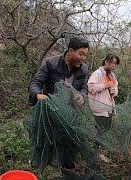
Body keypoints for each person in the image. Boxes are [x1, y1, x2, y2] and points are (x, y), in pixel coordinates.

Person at [28, 36, 89, 170]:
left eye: (85, 55)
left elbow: (84, 87)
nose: (83, 58)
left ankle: (67, 168)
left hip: (70, 115)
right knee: (46, 143)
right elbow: (35, 82)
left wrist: (82, 96)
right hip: (50, 112)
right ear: (70, 50)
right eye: (81, 54)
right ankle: (41, 167)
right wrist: (38, 94)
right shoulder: (51, 63)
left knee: (68, 144)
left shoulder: (83, 69)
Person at [87, 53, 120, 135]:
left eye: (115, 64)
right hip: (99, 108)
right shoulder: (97, 73)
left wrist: (114, 91)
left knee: (106, 129)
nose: (113, 65)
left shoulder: (113, 76)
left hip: (109, 108)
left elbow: (116, 90)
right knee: (98, 130)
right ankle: (95, 146)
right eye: (111, 62)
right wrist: (105, 85)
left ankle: (100, 146)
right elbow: (91, 88)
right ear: (106, 61)